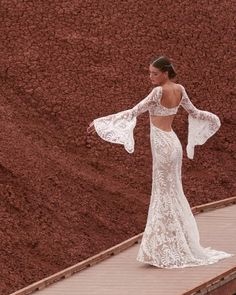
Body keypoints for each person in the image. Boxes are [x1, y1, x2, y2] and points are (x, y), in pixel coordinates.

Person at [87, 56, 234, 268]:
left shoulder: (158, 92)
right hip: (173, 144)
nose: (151, 77)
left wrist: (100, 122)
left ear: (165, 72)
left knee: (163, 193)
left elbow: (134, 111)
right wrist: (213, 119)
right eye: (149, 73)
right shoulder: (180, 89)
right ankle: (171, 243)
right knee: (172, 192)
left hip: (163, 147)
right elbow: (195, 112)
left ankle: (164, 247)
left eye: (154, 73)